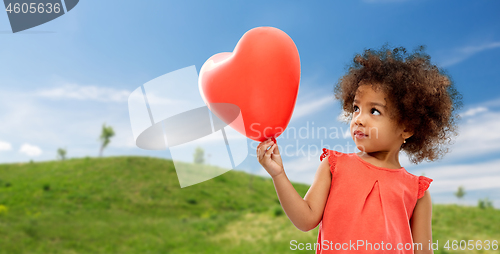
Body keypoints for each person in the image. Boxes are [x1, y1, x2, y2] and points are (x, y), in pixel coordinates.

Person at [257, 45, 462, 254]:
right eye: (356, 108)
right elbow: (306, 219)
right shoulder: (334, 166)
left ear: (407, 127)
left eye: (374, 111)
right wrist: (278, 174)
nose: (359, 119)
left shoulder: (416, 192)